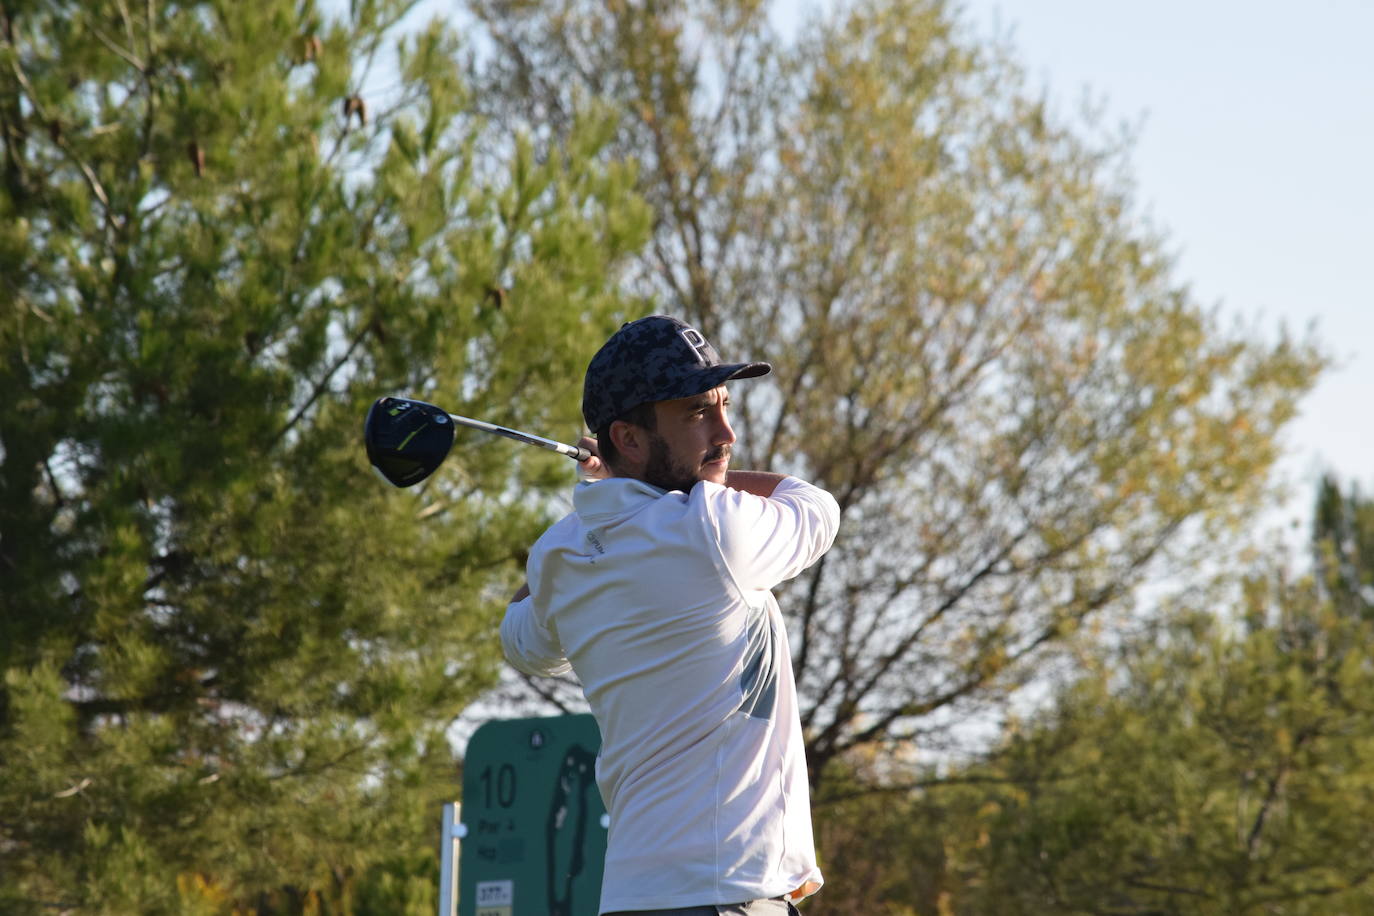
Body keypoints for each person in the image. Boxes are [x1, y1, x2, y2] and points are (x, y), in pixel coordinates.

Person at [500, 315, 841, 915]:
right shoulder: (716, 528)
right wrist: (666, 485)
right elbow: (815, 506)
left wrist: (600, 497)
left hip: (631, 897)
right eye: (695, 414)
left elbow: (521, 640)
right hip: (728, 894)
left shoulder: (561, 553)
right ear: (628, 438)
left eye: (724, 405)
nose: (726, 430)